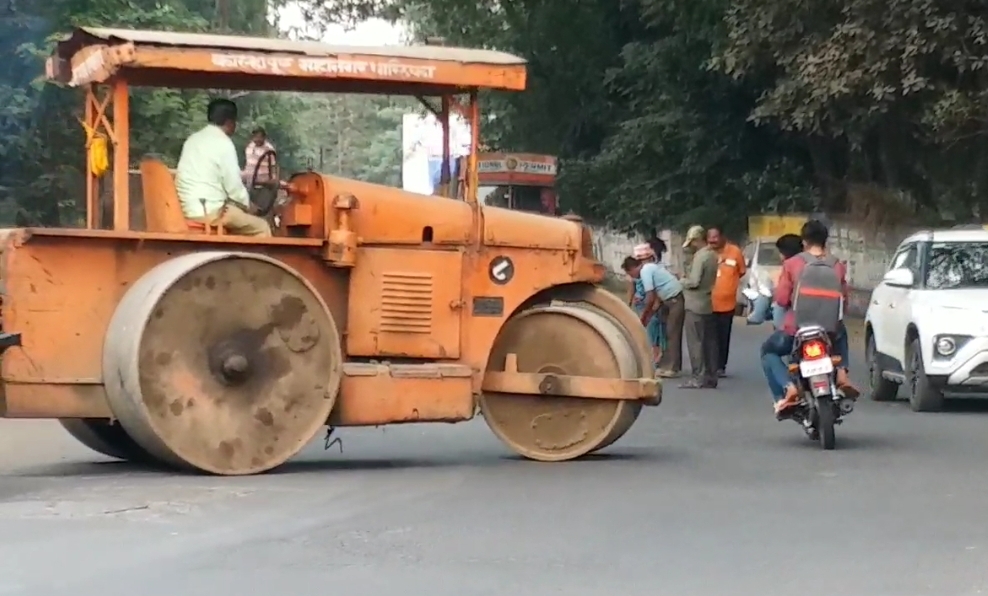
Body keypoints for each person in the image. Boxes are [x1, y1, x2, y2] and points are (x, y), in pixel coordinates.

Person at [761, 220, 859, 416]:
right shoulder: (837, 266)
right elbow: (844, 303)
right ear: (825, 241)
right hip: (829, 331)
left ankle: (788, 388)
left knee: (768, 351)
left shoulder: (792, 264)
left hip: (796, 330)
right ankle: (842, 373)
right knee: (842, 332)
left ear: (804, 242)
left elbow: (781, 300)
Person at [175, 99, 272, 237]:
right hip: (211, 212)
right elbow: (234, 187)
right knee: (261, 227)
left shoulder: (192, 140)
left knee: (238, 214)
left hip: (187, 208)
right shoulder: (224, 143)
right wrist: (250, 206)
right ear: (230, 122)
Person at [623, 245, 685, 375]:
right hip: (667, 299)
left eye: (631, 274)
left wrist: (645, 316)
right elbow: (654, 300)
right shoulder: (650, 269)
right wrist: (648, 315)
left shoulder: (645, 271)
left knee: (672, 333)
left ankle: (673, 367)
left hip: (674, 299)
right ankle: (666, 364)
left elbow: (650, 297)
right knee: (666, 333)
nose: (633, 277)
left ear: (633, 268)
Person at [679, 225, 720, 389]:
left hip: (694, 303)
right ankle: (711, 376)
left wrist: (681, 281)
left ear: (697, 240)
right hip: (707, 302)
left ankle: (698, 377)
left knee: (695, 342)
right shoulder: (712, 255)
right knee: (709, 342)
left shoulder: (700, 257)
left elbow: (694, 281)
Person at [707, 226, 746, 377]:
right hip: (708, 303)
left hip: (727, 304)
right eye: (710, 238)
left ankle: (720, 366)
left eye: (715, 237)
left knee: (723, 336)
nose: (713, 241)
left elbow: (741, 271)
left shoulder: (734, 252)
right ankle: (709, 365)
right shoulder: (705, 254)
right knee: (709, 337)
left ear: (722, 237)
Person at [747, 233, 801, 328]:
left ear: (784, 253)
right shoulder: (811, 263)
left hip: (791, 320)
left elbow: (782, 298)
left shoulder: (788, 266)